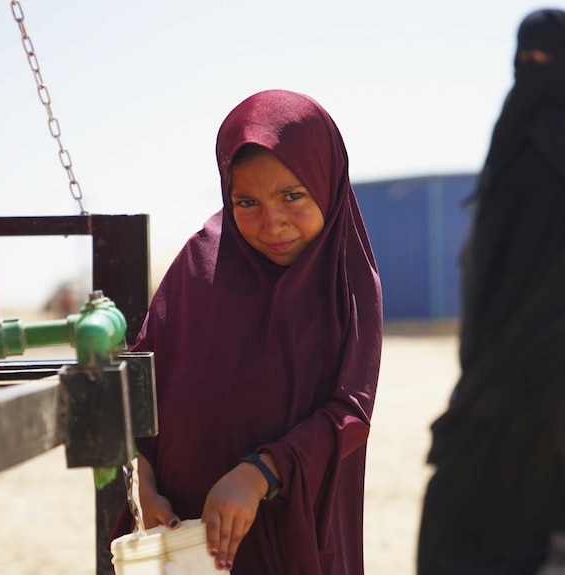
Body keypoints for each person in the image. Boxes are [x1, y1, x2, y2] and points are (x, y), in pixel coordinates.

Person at [109, 89, 383, 575]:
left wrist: (259, 475)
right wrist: (143, 485)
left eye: (292, 196)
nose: (271, 222)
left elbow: (348, 414)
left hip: (287, 537)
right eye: (247, 201)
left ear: (326, 182)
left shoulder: (347, 285)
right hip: (180, 538)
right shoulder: (199, 266)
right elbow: (138, 389)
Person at [417, 9, 565, 575]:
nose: (532, 70)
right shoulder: (513, 116)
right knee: (484, 418)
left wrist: (558, 135)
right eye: (524, 58)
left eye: (545, 58)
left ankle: (564, 543)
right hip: (507, 306)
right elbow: (492, 211)